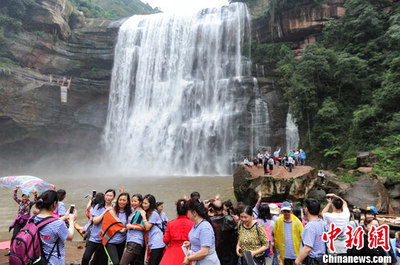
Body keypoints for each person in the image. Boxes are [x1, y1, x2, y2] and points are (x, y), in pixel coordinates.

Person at [34, 190, 76, 264]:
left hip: (37, 260)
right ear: (54, 204)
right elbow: (70, 237)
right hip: (53, 262)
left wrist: (65, 216)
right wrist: (72, 220)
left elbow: (47, 222)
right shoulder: (58, 224)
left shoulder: (33, 219)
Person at [81, 189, 115, 265]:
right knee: (86, 258)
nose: (108, 197)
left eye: (110, 196)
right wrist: (105, 212)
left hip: (105, 239)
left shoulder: (115, 208)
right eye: (107, 195)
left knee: (101, 261)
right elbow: (95, 221)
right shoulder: (98, 206)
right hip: (94, 237)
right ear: (104, 196)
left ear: (113, 197)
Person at [183, 197, 220, 265]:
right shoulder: (197, 224)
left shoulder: (204, 227)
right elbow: (201, 240)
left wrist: (188, 259)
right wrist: (192, 243)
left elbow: (204, 251)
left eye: (188, 212)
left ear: (194, 213)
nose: (187, 215)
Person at [160, 199, 193, 265]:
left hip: (172, 252)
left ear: (177, 210)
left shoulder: (170, 223)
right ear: (187, 211)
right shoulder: (193, 224)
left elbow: (165, 240)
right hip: (188, 251)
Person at [294, 198, 327, 265]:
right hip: (323, 259)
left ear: (306, 210)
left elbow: (307, 248)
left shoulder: (310, 227)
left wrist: (297, 261)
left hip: (313, 261)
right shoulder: (324, 224)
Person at [104, 192, 131, 265]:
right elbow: (106, 225)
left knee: (119, 262)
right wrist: (118, 229)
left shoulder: (129, 213)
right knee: (115, 262)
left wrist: (125, 229)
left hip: (122, 241)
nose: (121, 202)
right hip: (110, 241)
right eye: (120, 200)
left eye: (124, 200)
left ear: (128, 202)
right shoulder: (111, 211)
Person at [210, 200, 238, 265]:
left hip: (217, 253)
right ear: (223, 208)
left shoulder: (210, 222)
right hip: (231, 252)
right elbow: (236, 235)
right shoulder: (230, 219)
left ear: (213, 209)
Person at [121, 194, 145, 265]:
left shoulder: (140, 212)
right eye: (132, 201)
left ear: (140, 202)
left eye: (135, 201)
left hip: (135, 241)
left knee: (123, 263)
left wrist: (132, 226)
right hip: (130, 240)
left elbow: (143, 227)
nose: (133, 203)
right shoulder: (133, 212)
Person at [141, 194, 165, 265]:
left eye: (145, 203)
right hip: (154, 243)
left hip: (157, 243)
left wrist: (143, 216)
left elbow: (148, 227)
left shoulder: (154, 213)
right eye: (143, 203)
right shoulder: (149, 213)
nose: (143, 205)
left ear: (150, 204)